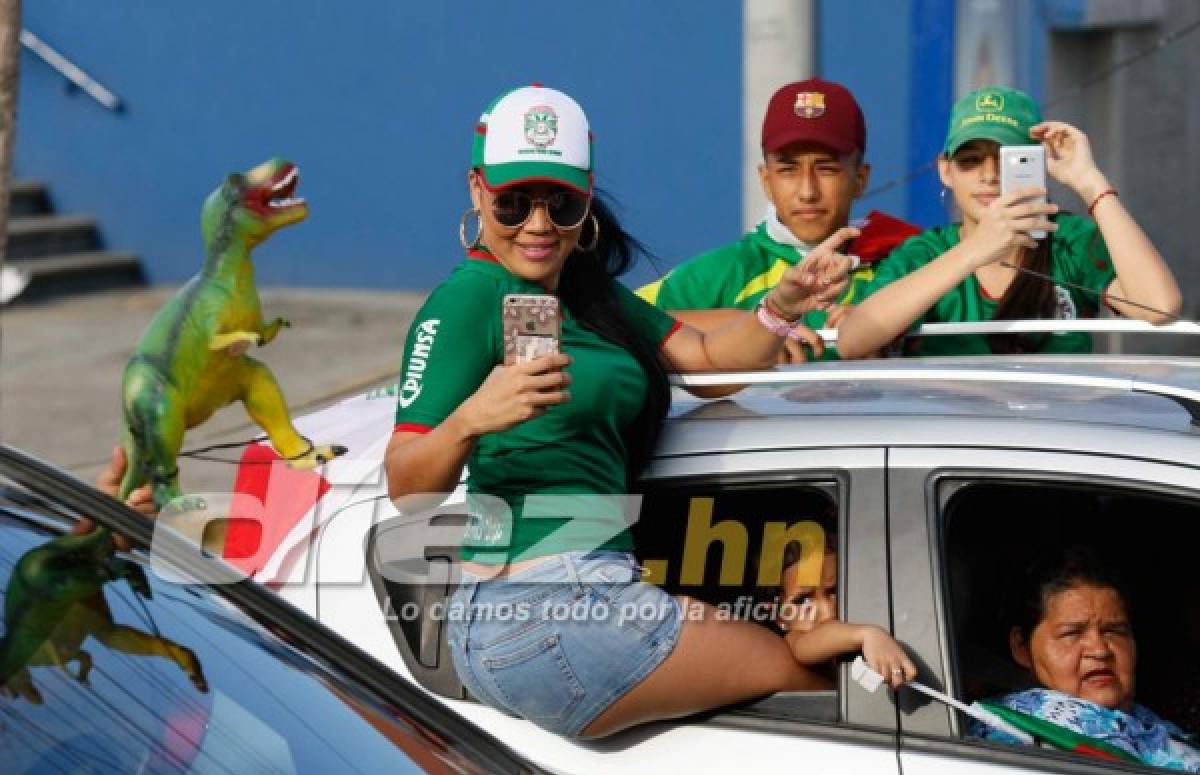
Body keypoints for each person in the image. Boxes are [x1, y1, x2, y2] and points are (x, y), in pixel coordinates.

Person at [384, 85, 856, 739]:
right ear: (476, 190)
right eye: (513, 202)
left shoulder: (586, 292)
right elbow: (406, 486)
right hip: (540, 605)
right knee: (829, 695)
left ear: (588, 196)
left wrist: (783, 303)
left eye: (562, 203)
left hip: (586, 595)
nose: (540, 225)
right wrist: (472, 418)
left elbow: (709, 362)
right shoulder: (467, 300)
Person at [837, 85, 1182, 359]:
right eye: (970, 161)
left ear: (1038, 162)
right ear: (946, 171)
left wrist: (1089, 181)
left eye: (1009, 160)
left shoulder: (1069, 240)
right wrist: (974, 250)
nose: (989, 176)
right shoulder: (925, 253)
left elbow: (1159, 307)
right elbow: (852, 342)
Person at [635, 78, 920, 361]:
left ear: (860, 179)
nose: (807, 192)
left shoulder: (909, 262)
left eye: (827, 169)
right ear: (766, 180)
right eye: (788, 170)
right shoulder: (722, 273)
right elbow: (610, 323)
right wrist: (757, 328)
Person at [970, 546, 1200, 774]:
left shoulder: (1152, 727)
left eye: (1114, 631)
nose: (1100, 650)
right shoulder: (1012, 741)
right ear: (1021, 647)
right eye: (1072, 633)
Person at [777, 532, 916, 688]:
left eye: (835, 592)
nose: (828, 611)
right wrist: (867, 635)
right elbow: (802, 646)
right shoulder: (795, 638)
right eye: (802, 600)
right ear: (781, 617)